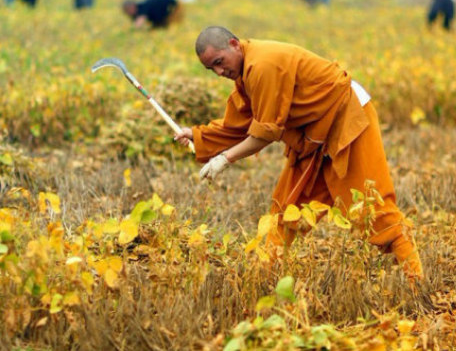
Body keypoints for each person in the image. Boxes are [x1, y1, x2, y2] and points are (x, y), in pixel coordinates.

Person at [174, 26, 423, 280]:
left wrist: (225, 158)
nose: (219, 72)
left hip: (348, 116)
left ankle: (416, 279)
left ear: (234, 45)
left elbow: (264, 133)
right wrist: (196, 134)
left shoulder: (262, 65)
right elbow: (239, 124)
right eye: (211, 69)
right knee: (288, 206)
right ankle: (262, 277)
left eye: (219, 62)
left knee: (371, 206)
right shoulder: (245, 72)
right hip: (314, 134)